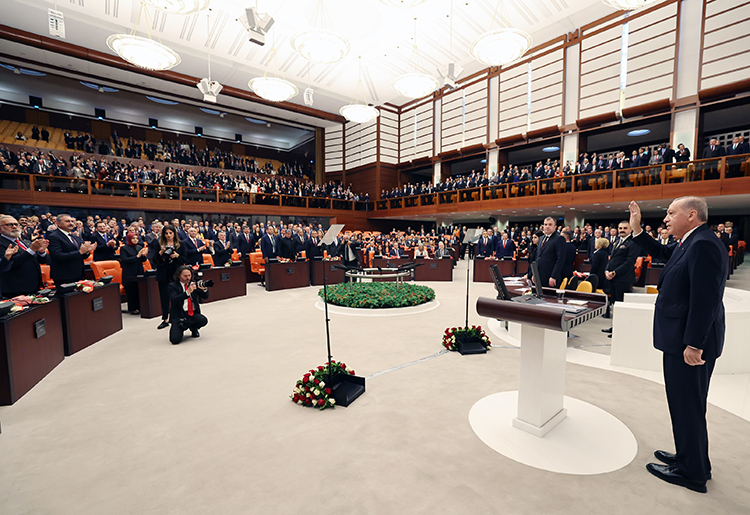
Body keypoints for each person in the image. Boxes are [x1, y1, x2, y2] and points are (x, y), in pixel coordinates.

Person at [629, 197, 727, 494]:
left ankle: (692, 472)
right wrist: (637, 231)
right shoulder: (691, 241)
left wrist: (694, 344)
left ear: (692, 214)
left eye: (672, 213)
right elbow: (661, 251)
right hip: (681, 338)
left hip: (689, 343)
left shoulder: (703, 244)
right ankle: (690, 457)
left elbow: (705, 299)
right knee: (685, 405)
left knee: (688, 406)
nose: (666, 218)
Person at [0, 215, 49, 297]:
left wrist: (41, 252)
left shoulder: (25, 241)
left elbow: (44, 261)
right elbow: (8, 266)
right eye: (9, 225)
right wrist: (31, 250)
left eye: (16, 224)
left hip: (34, 286)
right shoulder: (1, 243)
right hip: (15, 289)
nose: (14, 226)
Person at [601, 220, 639, 322]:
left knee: (622, 305)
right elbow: (612, 259)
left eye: (625, 228)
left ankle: (621, 328)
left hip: (623, 278)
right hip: (612, 278)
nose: (622, 230)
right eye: (620, 228)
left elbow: (629, 262)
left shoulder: (633, 243)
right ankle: (614, 327)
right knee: (614, 303)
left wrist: (615, 272)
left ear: (631, 230)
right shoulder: (617, 242)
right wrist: (606, 270)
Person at [47, 213, 96, 286]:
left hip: (78, 273)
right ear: (58, 223)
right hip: (64, 275)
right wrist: (80, 252)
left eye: (72, 221)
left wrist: (87, 251)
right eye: (67, 221)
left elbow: (81, 256)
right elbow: (57, 256)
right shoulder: (54, 236)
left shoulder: (75, 237)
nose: (71, 223)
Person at [153, 224, 184, 330]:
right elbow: (154, 260)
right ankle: (165, 318)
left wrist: (177, 256)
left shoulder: (181, 244)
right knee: (164, 296)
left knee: (178, 295)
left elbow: (186, 259)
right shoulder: (159, 244)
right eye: (166, 233)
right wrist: (160, 253)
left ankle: (179, 316)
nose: (168, 235)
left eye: (170, 233)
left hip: (176, 273)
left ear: (174, 233)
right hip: (163, 273)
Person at [168, 265, 209, 345]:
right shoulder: (172, 286)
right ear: (179, 276)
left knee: (203, 320)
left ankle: (193, 327)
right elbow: (174, 300)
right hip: (179, 315)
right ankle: (182, 327)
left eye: (189, 275)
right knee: (174, 340)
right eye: (185, 276)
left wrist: (204, 289)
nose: (188, 278)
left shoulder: (193, 284)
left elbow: (205, 296)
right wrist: (187, 292)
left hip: (192, 313)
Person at [120, 232, 148, 314]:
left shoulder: (139, 247)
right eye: (133, 238)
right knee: (131, 291)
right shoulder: (124, 248)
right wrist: (137, 256)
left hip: (139, 271)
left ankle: (140, 307)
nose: (135, 240)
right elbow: (125, 260)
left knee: (139, 290)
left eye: (136, 238)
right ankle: (132, 308)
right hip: (129, 273)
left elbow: (143, 260)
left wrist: (143, 255)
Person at [534, 217, 565, 287]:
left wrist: (554, 276)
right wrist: (535, 274)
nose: (547, 227)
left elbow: (560, 259)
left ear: (555, 227)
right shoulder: (541, 238)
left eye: (550, 224)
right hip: (539, 276)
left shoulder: (559, 239)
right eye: (545, 224)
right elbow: (538, 257)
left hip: (551, 277)